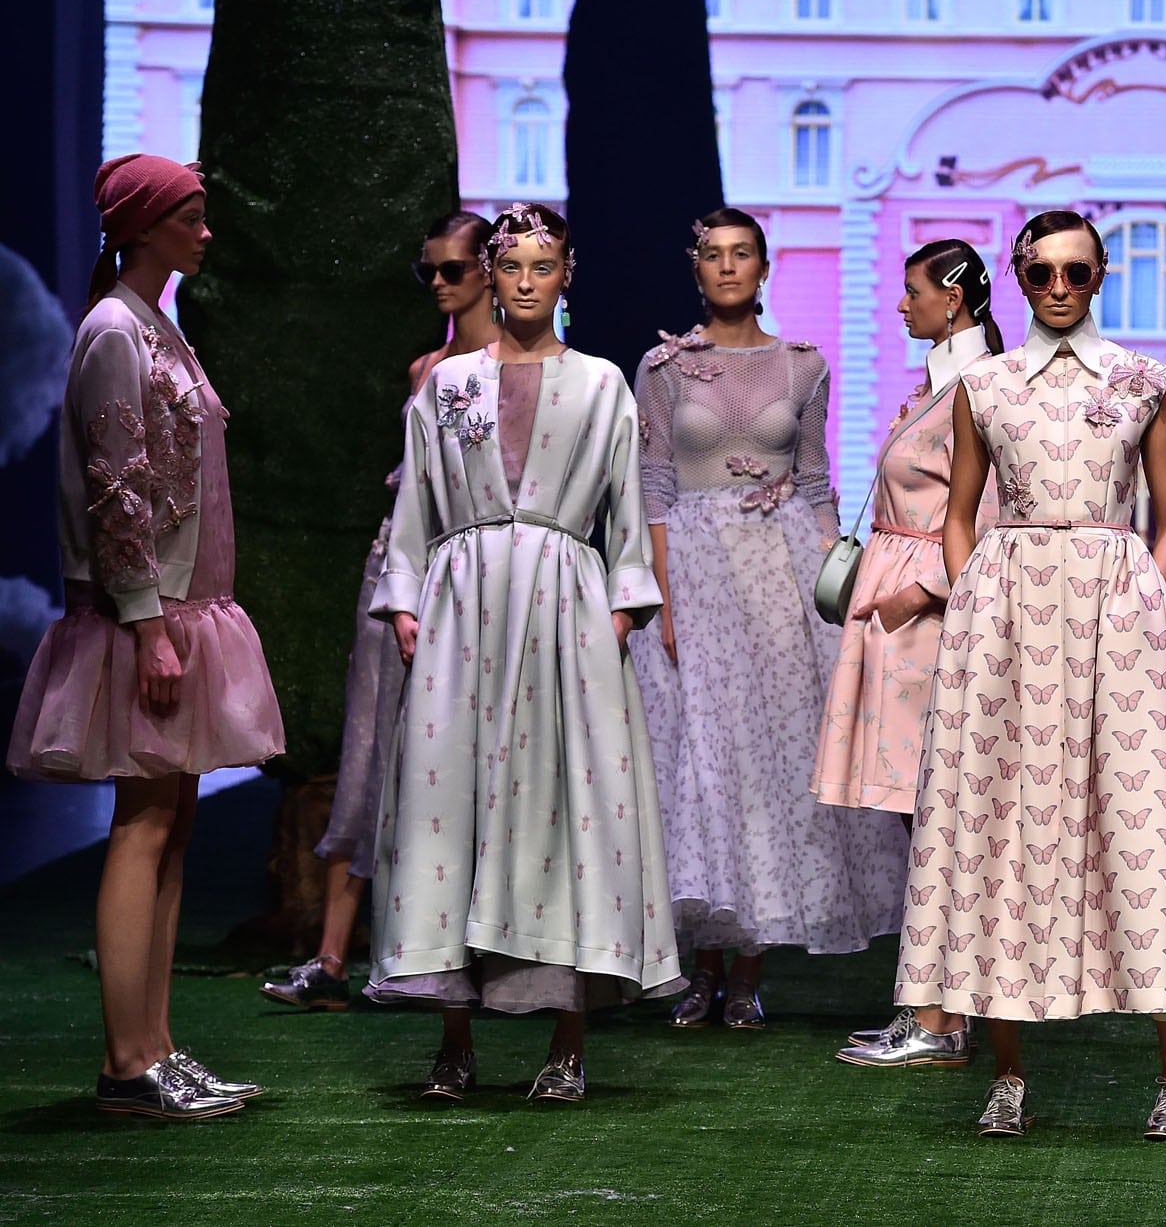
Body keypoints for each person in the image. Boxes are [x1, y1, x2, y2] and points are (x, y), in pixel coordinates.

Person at [892, 210, 1166, 1141]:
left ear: (1101, 274)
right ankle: (1006, 1073)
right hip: (1006, 620)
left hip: (1114, 620)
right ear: (1017, 275)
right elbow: (961, 509)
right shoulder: (985, 383)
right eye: (1040, 272)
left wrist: (1143, 600)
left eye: (1076, 273)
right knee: (1004, 821)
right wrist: (972, 601)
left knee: (1138, 819)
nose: (1058, 288)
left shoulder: (1144, 378)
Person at [367, 202, 679, 1103]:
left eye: (544, 265)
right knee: (448, 800)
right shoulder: (450, 384)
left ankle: (568, 1041)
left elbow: (624, 507)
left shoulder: (600, 384)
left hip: (564, 606)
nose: (527, 281)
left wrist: (622, 610)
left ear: (567, 273)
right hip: (463, 604)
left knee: (567, 803)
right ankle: (454, 1041)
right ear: (493, 276)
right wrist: (404, 603)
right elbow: (416, 506)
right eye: (511, 267)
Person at [10, 154, 284, 1118]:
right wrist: (147, 622)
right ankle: (128, 1059)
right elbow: (115, 484)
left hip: (181, 604)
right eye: (191, 216)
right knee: (144, 824)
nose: (205, 231)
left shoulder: (157, 324)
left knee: (172, 823)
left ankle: (156, 1045)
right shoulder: (115, 330)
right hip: (148, 612)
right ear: (144, 224)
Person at [630, 208, 907, 1030]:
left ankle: (748, 969)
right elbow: (653, 485)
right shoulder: (664, 365)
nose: (726, 267)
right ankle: (700, 967)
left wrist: (837, 591)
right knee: (700, 757)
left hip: (784, 580)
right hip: (697, 572)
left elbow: (818, 482)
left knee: (773, 761)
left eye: (740, 253)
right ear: (696, 267)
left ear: (764, 265)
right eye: (711, 254)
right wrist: (663, 600)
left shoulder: (802, 363)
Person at [261, 210, 499, 1012]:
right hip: (398, 568)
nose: (438, 281)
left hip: (477, 575)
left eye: (453, 268)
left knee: (475, 752)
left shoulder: (523, 370)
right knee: (370, 748)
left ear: (491, 271)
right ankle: (331, 957)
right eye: (427, 270)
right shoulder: (424, 368)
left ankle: (473, 953)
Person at [819, 239, 1002, 1069]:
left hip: (928, 618)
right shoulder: (936, 382)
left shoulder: (979, 385)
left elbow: (996, 506)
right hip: (900, 614)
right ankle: (934, 1010)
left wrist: (921, 588)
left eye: (915, 291)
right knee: (918, 815)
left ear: (955, 299)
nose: (902, 304)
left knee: (937, 812)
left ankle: (938, 1013)